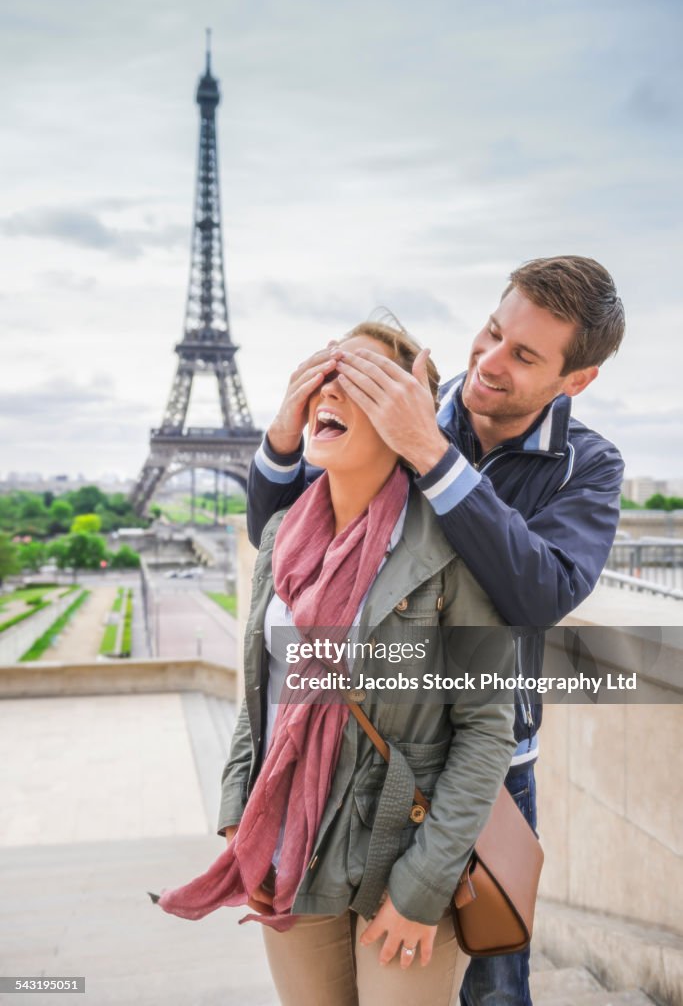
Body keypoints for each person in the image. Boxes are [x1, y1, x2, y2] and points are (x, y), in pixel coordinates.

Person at [247, 256, 626, 1006]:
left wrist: (429, 452)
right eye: (490, 332)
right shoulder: (408, 396)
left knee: (492, 986)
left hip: (484, 766)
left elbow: (537, 593)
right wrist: (282, 447)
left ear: (573, 380)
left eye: (523, 356)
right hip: (357, 749)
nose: (487, 362)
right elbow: (285, 545)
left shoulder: (586, 465)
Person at [153, 322, 517, 1006]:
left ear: (406, 416)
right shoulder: (281, 538)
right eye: (326, 372)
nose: (331, 389)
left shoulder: (452, 552)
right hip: (289, 845)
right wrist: (241, 822)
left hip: (399, 861)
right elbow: (261, 696)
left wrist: (421, 887)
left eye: (363, 379)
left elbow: (483, 728)